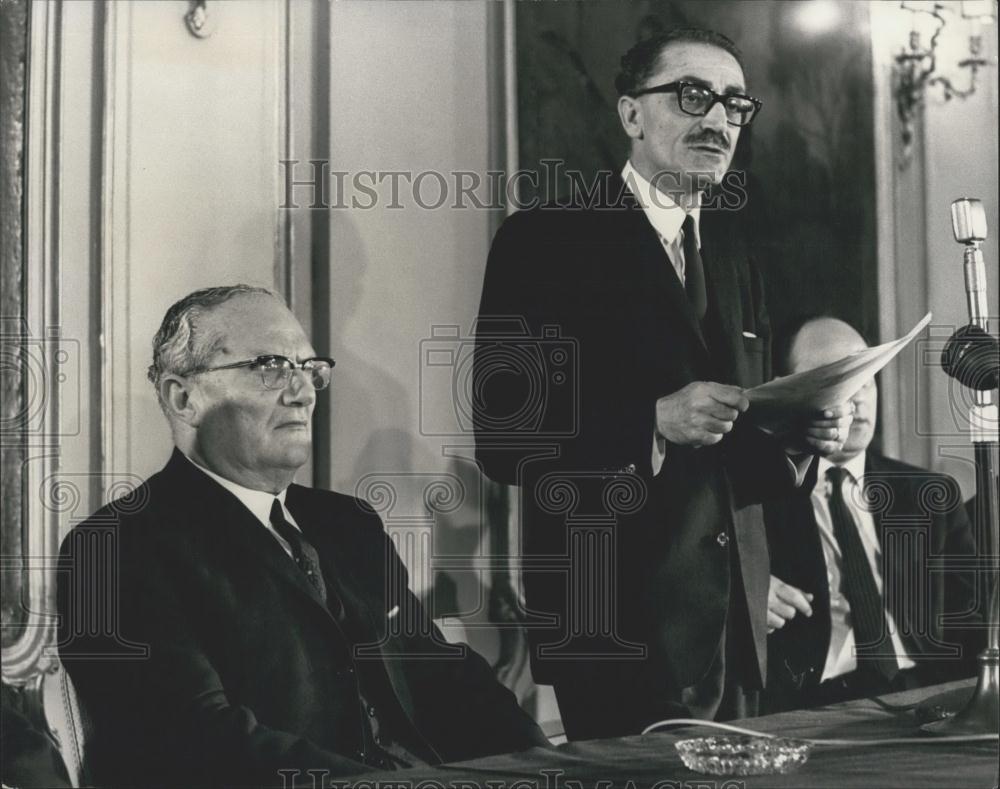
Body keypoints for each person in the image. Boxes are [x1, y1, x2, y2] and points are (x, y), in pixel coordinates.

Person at [473, 29, 853, 739]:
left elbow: (734, 452)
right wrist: (650, 421)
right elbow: (503, 438)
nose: (718, 120)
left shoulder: (736, 258)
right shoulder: (545, 241)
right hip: (613, 622)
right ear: (631, 114)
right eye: (692, 96)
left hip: (737, 625)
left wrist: (801, 437)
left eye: (735, 104)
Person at [57, 285, 549, 788]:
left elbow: (444, 676)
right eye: (269, 367)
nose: (303, 391)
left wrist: (548, 769)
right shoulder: (113, 549)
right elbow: (198, 743)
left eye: (309, 368)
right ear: (183, 398)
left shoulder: (348, 524)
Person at [763, 317, 983, 712]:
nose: (858, 398)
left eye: (867, 378)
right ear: (786, 391)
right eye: (839, 380)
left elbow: (973, 626)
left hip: (926, 695)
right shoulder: (754, 503)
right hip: (810, 703)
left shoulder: (931, 496)